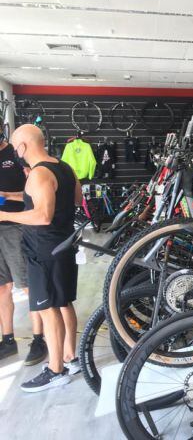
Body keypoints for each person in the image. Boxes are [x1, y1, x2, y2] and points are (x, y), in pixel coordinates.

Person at [0, 125, 81, 392]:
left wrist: (5, 215)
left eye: (15, 146)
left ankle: (56, 369)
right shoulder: (64, 167)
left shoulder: (39, 173)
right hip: (63, 244)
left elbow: (42, 215)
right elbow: (76, 199)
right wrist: (9, 196)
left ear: (23, 146)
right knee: (62, 303)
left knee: (48, 310)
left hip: (44, 250)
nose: (15, 152)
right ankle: (71, 356)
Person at [0, 134, 47, 365]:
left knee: (28, 286)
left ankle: (39, 338)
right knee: (2, 287)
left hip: (16, 228)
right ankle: (7, 340)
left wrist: (6, 196)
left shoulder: (17, 156)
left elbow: (34, 196)